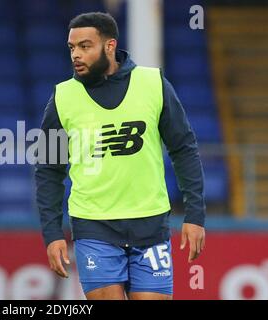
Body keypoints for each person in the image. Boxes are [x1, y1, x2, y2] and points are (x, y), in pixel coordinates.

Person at [34, 12, 206, 300]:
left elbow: (184, 149)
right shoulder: (62, 97)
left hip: (151, 226)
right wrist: (52, 234)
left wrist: (195, 215)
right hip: (93, 228)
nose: (76, 54)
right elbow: (48, 169)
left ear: (110, 46)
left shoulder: (153, 84)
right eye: (72, 48)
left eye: (85, 46)